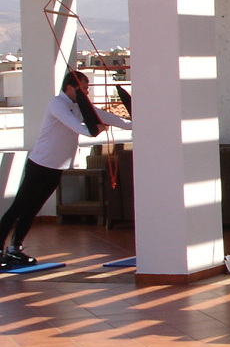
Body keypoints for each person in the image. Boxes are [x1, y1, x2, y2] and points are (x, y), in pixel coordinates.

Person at [0, 71, 132, 268]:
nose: (86, 93)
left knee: (33, 209)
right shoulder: (57, 104)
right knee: (19, 207)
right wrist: (97, 129)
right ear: (70, 87)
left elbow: (109, 118)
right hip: (39, 165)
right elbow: (79, 128)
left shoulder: (78, 106)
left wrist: (135, 124)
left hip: (56, 167)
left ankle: (15, 248)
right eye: (84, 89)